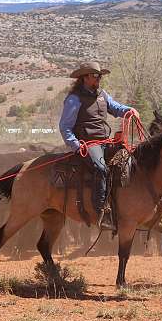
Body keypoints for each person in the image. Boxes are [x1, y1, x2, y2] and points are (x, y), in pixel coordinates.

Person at [59, 61, 138, 230]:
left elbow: (116, 108)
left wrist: (129, 110)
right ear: (85, 78)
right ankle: (102, 212)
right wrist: (75, 145)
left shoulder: (102, 94)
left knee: (128, 161)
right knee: (101, 168)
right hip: (88, 144)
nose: (99, 78)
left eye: (100, 75)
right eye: (95, 75)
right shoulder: (74, 99)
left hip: (105, 141)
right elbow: (65, 126)